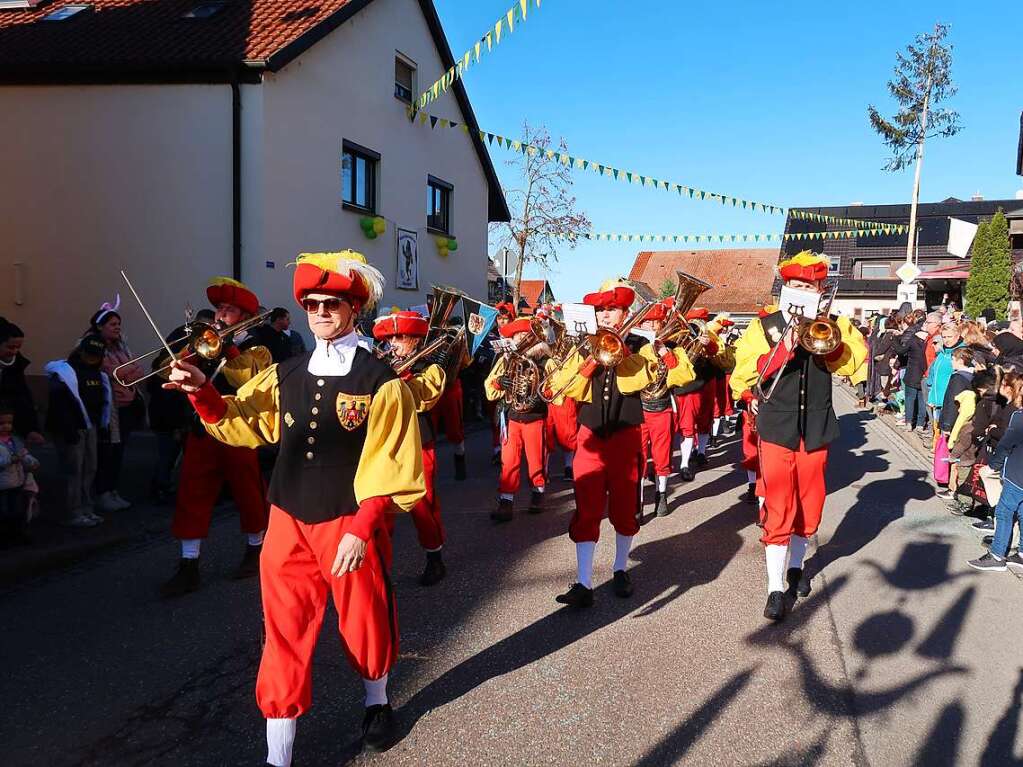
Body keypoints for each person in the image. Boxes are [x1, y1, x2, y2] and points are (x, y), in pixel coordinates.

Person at [163, 250, 425, 760]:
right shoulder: (285, 372)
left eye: (332, 303)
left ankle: (377, 702)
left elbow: (393, 459)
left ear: (355, 308)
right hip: (286, 516)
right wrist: (201, 392)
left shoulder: (383, 382)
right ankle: (277, 755)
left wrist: (363, 525)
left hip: (348, 520)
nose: (321, 312)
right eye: (312, 303)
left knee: (363, 619)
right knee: (282, 630)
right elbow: (244, 419)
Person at [732, 252, 866, 621]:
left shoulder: (835, 323)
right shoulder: (764, 327)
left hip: (817, 428)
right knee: (778, 504)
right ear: (785, 288)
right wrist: (785, 345)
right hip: (777, 427)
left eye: (809, 286)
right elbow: (743, 377)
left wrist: (831, 340)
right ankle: (775, 587)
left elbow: (855, 365)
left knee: (810, 504)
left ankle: (796, 567)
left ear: (821, 289)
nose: (802, 291)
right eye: (795, 285)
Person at [549, 281, 683, 607]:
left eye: (612, 309)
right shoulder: (583, 346)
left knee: (624, 509)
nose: (606, 316)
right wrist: (592, 359)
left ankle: (621, 568)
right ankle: (583, 583)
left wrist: (624, 352)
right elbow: (563, 387)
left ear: (625, 312)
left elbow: (644, 379)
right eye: (601, 310)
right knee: (587, 509)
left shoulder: (642, 344)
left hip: (625, 436)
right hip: (590, 436)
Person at [160, 277, 272, 597]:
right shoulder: (204, 340)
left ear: (245, 315)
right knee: (192, 492)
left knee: (248, 491)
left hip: (239, 429)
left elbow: (248, 378)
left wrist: (227, 345)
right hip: (201, 429)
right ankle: (188, 564)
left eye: (230, 309)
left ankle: (255, 548)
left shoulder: (258, 345)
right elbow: (168, 365)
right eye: (220, 308)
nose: (221, 314)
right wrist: (190, 349)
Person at [373, 310, 448, 585]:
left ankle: (434, 557)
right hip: (384, 443)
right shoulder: (380, 364)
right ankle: (380, 565)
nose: (394, 342)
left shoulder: (430, 368)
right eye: (390, 336)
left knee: (423, 504)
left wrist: (397, 378)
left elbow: (421, 400)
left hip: (418, 442)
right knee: (380, 505)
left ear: (416, 339)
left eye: (400, 336)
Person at [486, 316, 559, 521]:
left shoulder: (546, 361)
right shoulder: (507, 359)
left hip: (535, 417)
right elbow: (490, 386)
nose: (521, 340)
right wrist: (500, 383)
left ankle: (538, 493)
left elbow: (557, 388)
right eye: (517, 336)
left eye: (525, 335)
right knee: (508, 461)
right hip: (512, 417)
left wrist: (544, 391)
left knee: (536, 460)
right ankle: (506, 501)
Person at [44, 335, 112, 527]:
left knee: (90, 468)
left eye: (96, 355)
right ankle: (73, 511)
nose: (92, 358)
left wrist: (102, 425)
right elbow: (59, 405)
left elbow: (102, 401)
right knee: (73, 470)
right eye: (90, 354)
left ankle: (86, 508)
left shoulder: (98, 373)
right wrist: (68, 429)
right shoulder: (65, 373)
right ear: (81, 351)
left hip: (90, 426)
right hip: (72, 428)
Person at [636, 300, 695, 517]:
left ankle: (661, 494)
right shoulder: (633, 346)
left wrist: (666, 355)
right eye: (647, 323)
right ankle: (638, 500)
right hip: (638, 409)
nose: (652, 327)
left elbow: (685, 376)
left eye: (656, 323)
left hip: (661, 407)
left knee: (662, 454)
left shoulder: (674, 348)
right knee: (638, 456)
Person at [89, 298, 146, 513]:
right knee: (107, 451)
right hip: (109, 409)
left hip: (127, 406)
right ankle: (102, 492)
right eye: (112, 325)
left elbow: (137, 370)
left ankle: (113, 490)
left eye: (118, 325)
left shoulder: (121, 346)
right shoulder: (92, 347)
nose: (117, 328)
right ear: (99, 326)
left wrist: (125, 370)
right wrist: (125, 370)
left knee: (118, 451)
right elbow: (113, 372)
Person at [672, 307, 718, 481]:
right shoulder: (679, 336)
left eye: (703, 322)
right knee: (688, 424)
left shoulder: (710, 335)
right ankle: (684, 463)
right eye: (697, 322)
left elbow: (715, 353)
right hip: (688, 385)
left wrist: (709, 343)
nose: (700, 325)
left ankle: (701, 452)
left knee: (705, 419)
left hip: (706, 381)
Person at [0, 404, 40, 546]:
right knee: (4, 512)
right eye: (2, 423)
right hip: (2, 485)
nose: (6, 426)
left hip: (16, 482)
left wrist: (32, 462)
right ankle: (5, 538)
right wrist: (10, 460)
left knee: (17, 510)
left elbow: (24, 454)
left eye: (9, 423)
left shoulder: (15, 440)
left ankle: (17, 534)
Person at [0, 319, 44, 445]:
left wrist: (31, 429)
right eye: (10, 347)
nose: (14, 351)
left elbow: (22, 399)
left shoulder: (16, 367)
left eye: (18, 348)